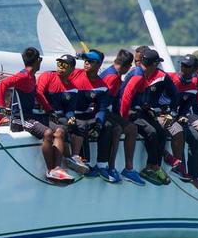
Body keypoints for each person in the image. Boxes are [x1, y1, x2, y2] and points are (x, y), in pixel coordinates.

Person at [0, 47, 72, 182]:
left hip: (31, 116)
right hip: (20, 119)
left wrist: (49, 110)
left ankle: (57, 168)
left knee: (59, 131)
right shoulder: (23, 76)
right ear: (38, 61)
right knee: (48, 133)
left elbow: (37, 93)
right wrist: (1, 107)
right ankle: (50, 170)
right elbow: (1, 85)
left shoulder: (31, 76)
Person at [120, 48, 175, 185]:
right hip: (128, 113)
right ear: (153, 64)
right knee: (151, 132)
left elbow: (138, 97)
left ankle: (154, 165)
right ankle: (151, 167)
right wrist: (124, 117)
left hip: (139, 111)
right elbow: (126, 97)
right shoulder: (137, 75)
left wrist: (145, 107)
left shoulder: (143, 74)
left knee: (161, 132)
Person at [166, 54, 198, 191]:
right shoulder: (172, 79)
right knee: (180, 132)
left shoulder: (194, 84)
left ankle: (193, 175)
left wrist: (182, 115)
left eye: (187, 66)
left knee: (197, 138)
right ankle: (179, 167)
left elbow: (187, 106)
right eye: (182, 65)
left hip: (177, 115)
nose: (183, 68)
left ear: (194, 69)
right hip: (164, 113)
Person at [37, 54, 89, 174]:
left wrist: (71, 118)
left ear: (71, 69)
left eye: (64, 65)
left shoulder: (73, 89)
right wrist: (49, 110)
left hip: (59, 116)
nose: (60, 67)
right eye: (59, 64)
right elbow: (39, 93)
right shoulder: (47, 76)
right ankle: (66, 158)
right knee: (62, 129)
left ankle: (76, 157)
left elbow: (70, 110)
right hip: (45, 115)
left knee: (79, 125)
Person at [99, 48, 142, 185]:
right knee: (118, 129)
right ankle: (111, 168)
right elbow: (104, 101)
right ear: (128, 66)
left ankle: (125, 169)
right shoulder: (112, 77)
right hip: (101, 111)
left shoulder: (114, 74)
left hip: (106, 110)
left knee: (129, 128)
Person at [70, 50, 113, 178]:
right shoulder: (73, 74)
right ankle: (84, 162)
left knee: (107, 126)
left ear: (99, 65)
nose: (87, 63)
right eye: (86, 61)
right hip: (72, 114)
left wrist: (99, 124)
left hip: (88, 116)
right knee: (82, 125)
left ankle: (101, 165)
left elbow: (102, 109)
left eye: (91, 61)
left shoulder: (102, 87)